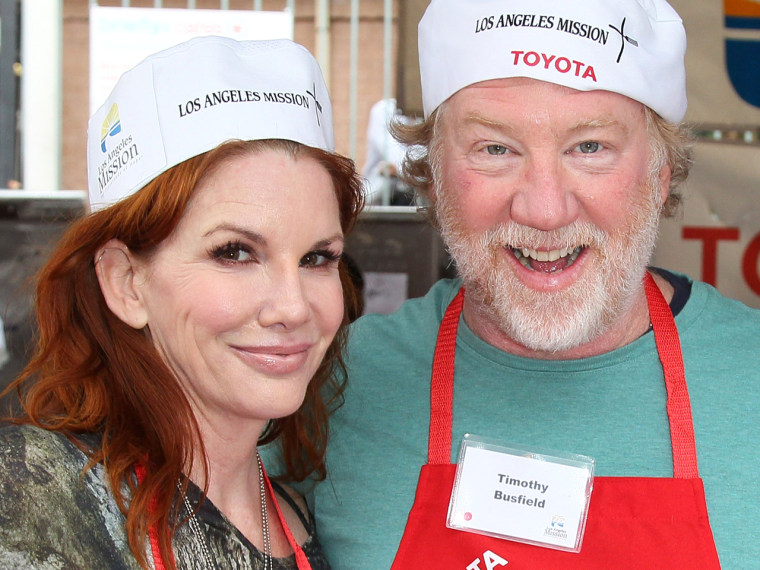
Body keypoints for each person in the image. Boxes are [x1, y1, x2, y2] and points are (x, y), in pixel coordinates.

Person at [305, 1, 760, 568]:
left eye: (589, 147)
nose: (545, 209)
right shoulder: (329, 385)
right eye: (496, 149)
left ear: (660, 172)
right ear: (435, 174)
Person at [0, 36, 363, 570]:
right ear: (125, 282)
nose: (293, 307)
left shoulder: (297, 517)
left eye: (316, 258)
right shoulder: (33, 495)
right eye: (235, 252)